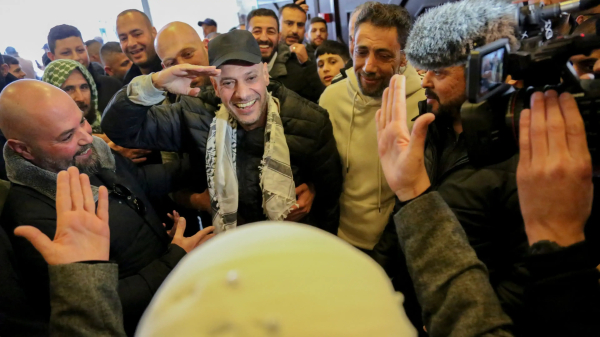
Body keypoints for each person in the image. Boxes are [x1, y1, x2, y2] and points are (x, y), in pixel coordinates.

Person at [0, 80, 214, 335]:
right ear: (23, 149)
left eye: (81, 120)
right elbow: (97, 302)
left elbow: (140, 180)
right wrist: (176, 258)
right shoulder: (30, 220)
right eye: (67, 136)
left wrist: (215, 155)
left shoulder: (82, 158)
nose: (87, 136)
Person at [101, 30, 342, 234]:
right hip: (230, 246)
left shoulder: (310, 120)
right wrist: (154, 83)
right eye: (228, 82)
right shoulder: (194, 113)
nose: (243, 93)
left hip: (294, 241)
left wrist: (313, 191)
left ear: (266, 74)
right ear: (215, 86)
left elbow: (330, 200)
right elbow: (120, 129)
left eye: (250, 78)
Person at [404, 0, 530, 328]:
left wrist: (462, 320)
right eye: (423, 69)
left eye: (440, 71)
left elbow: (526, 275)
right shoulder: (429, 128)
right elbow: (406, 217)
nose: (425, 81)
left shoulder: (519, 151)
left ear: (484, 69)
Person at [319, 3, 425, 261]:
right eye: (361, 52)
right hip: (337, 243)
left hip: (400, 252)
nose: (368, 66)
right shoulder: (330, 99)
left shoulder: (424, 105)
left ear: (404, 56)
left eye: (383, 55)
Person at [42, 59, 152, 163]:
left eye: (84, 87)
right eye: (68, 89)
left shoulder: (108, 121)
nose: (80, 97)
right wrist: (109, 156)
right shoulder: (48, 139)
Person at [246, 6, 325, 103]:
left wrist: (307, 64)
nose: (295, 30)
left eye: (300, 25)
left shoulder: (306, 66)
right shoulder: (233, 68)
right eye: (289, 23)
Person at [47, 25, 122, 113]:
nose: (76, 58)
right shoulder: (48, 97)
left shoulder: (111, 86)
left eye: (80, 50)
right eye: (66, 53)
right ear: (52, 57)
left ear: (86, 49)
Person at [117, 9, 162, 85]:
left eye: (137, 34)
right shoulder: (129, 81)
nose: (131, 43)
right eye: (123, 38)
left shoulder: (174, 69)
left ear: (153, 32)